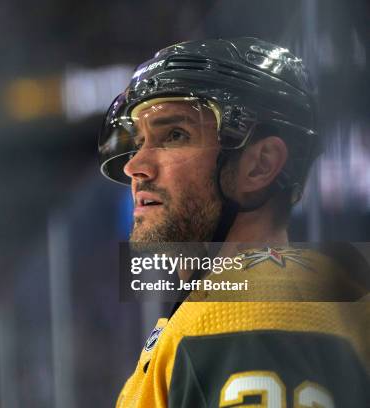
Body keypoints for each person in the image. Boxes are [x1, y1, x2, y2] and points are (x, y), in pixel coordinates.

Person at [98, 37, 369, 407]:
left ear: (259, 165)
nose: (134, 166)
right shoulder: (233, 298)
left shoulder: (250, 308)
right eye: (141, 139)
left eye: (175, 135)